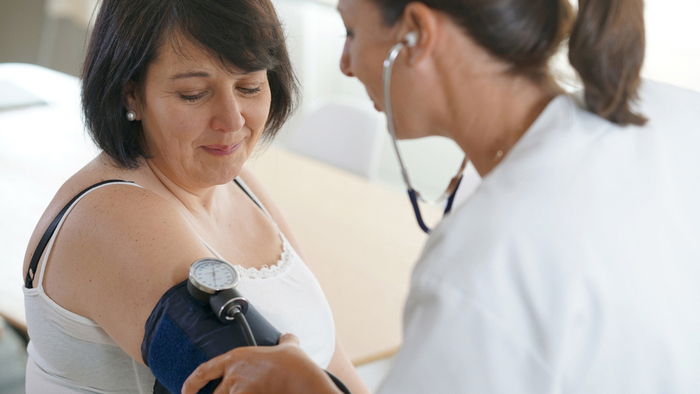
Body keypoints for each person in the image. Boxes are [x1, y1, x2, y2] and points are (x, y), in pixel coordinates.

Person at [180, 0, 700, 392]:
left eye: (352, 31)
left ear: (417, 34)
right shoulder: (674, 117)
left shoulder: (482, 264)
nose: (344, 62)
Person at [21, 0, 369, 393]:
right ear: (130, 94)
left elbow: (334, 362)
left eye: (249, 86)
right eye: (193, 94)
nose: (233, 119)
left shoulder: (236, 185)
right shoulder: (113, 217)